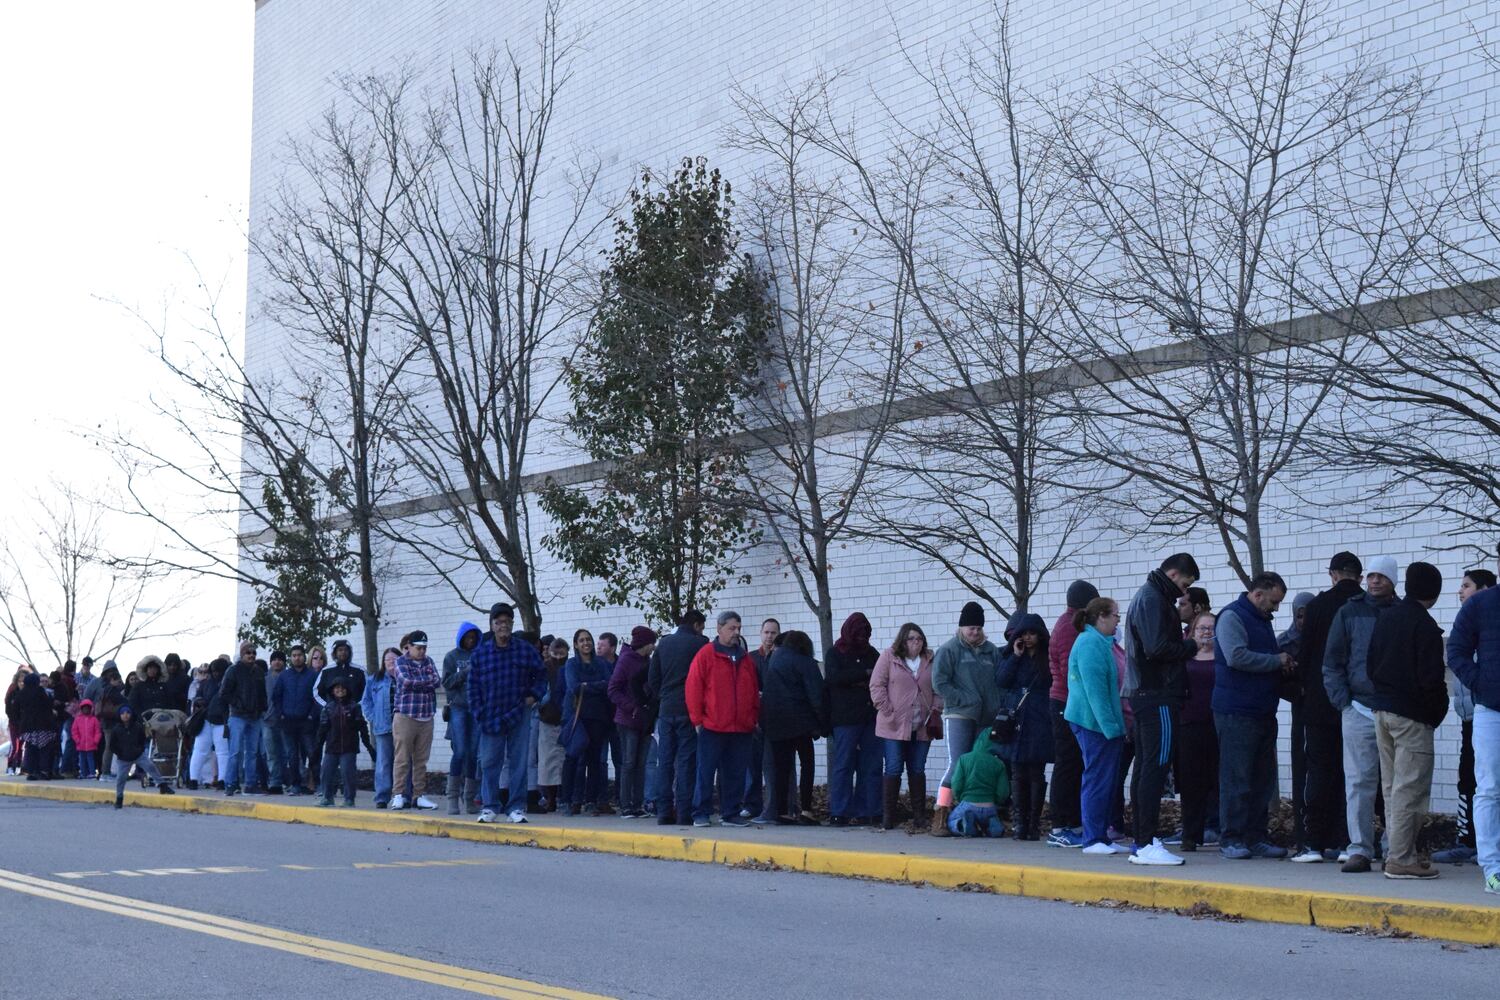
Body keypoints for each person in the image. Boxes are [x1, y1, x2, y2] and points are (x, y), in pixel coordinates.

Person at [1367, 562, 1447, 879]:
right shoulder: (1424, 626)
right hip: (1412, 715)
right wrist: (1434, 712)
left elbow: (1370, 664)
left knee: (1391, 788)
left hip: (1381, 710)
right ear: (1434, 592)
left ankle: (1400, 853)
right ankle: (1400, 858)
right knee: (1410, 789)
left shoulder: (1386, 618)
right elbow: (1431, 680)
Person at [1324, 554, 1400, 873]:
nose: (1375, 580)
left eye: (1382, 576)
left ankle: (1395, 848)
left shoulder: (1404, 613)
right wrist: (1343, 701)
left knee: (1397, 784)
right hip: (1357, 708)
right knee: (1358, 782)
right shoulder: (1349, 611)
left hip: (1397, 710)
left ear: (1393, 580)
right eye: (1371, 575)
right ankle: (1360, 849)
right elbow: (1332, 660)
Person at [1123, 553, 1200, 865]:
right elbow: (1156, 649)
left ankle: (1142, 840)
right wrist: (1191, 646)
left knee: (1145, 766)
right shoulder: (1155, 599)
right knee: (1154, 766)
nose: (1184, 592)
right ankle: (1146, 841)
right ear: (1172, 573)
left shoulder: (1147, 596)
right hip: (1157, 693)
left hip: (1144, 693)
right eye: (1185, 584)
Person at [1213, 572, 1293, 861]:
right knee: (1237, 778)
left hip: (1261, 710)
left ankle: (1256, 836)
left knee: (1262, 779)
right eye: (1274, 601)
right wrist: (1276, 661)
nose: (1276, 608)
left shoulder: (1260, 619)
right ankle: (1232, 838)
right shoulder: (1232, 617)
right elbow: (1236, 656)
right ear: (1258, 594)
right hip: (1236, 711)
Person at [1291, 552, 1362, 863]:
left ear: (1332, 574)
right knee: (1356, 773)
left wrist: (1302, 689)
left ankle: (1314, 842)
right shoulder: (1368, 605)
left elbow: (1305, 655)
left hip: (1320, 702)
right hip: (1360, 702)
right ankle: (1350, 841)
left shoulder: (1318, 606)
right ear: (1359, 576)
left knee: (1319, 770)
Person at [1447, 545, 1500, 896]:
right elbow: (1456, 651)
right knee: (1490, 787)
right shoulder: (1481, 604)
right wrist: (1481, 682)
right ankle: (1493, 867)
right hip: (1491, 710)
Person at [1435, 567, 1496, 865]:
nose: (1460, 591)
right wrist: (1480, 684)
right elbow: (1456, 653)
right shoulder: (1476, 612)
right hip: (1481, 713)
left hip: (1484, 708)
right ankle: (1479, 852)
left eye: (1466, 585)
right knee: (1479, 784)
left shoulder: (1482, 611)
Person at [931, 601, 1005, 836]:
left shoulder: (991, 651)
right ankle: (941, 812)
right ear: (961, 627)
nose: (975, 632)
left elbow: (1001, 678)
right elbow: (939, 682)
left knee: (981, 763)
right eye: (970, 627)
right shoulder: (949, 650)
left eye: (978, 628)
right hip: (960, 714)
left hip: (987, 715)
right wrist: (962, 699)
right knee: (958, 763)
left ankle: (976, 812)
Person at [685, 611, 760, 828]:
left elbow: (753, 690)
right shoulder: (706, 655)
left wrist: (752, 717)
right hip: (713, 725)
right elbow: (694, 688)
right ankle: (701, 812)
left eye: (738, 628)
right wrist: (697, 720)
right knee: (705, 771)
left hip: (741, 727)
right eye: (732, 628)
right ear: (719, 628)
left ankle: (731, 813)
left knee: (735, 773)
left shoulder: (745, 659)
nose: (736, 632)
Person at [1066, 597, 1129, 855]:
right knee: (1097, 780)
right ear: (1101, 616)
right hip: (1094, 724)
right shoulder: (1090, 644)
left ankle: (1101, 835)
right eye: (1115, 615)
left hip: (1099, 724)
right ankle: (1092, 839)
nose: (1118, 620)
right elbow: (1096, 694)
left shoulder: (1100, 642)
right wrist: (1112, 728)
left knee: (1106, 781)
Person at [871, 622, 939, 832]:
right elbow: (876, 685)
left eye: (919, 639)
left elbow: (939, 686)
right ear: (903, 640)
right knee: (893, 767)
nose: (916, 643)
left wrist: (936, 708)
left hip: (922, 724)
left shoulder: (930, 659)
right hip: (894, 724)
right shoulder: (889, 657)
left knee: (917, 768)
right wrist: (888, 709)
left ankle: (919, 816)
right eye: (911, 638)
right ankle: (888, 816)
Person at [1048, 580, 1098, 847]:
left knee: (1074, 762)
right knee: (1067, 762)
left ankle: (1071, 821)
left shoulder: (1069, 623)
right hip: (1066, 702)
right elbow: (1072, 670)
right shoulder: (1070, 627)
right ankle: (1060, 826)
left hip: (1067, 701)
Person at [646, 609, 708, 826]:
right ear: (697, 625)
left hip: (666, 710)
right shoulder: (700, 644)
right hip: (688, 710)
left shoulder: (664, 643)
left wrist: (663, 695)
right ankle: (683, 812)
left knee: (665, 762)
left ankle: (663, 812)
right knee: (686, 762)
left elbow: (653, 678)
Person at [996, 613, 1054, 841]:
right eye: (1024, 634)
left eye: (1032, 634)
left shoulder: (1046, 657)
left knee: (1036, 772)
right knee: (1017, 770)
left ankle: (1033, 823)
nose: (1028, 638)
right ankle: (1020, 823)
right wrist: (1016, 656)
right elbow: (1001, 680)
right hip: (1017, 718)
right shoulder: (1011, 655)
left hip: (1039, 717)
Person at [761, 630, 826, 826]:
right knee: (807, 763)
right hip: (800, 722)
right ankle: (806, 809)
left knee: (781, 768)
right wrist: (823, 723)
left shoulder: (774, 659)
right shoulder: (805, 662)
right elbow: (816, 695)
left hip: (775, 722)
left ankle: (782, 811)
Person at [826, 612, 883, 827]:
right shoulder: (835, 653)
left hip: (870, 717)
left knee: (871, 764)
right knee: (844, 764)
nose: (862, 637)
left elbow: (879, 678)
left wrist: (855, 678)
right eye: (858, 633)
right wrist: (864, 674)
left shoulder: (872, 653)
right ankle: (839, 810)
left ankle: (868, 809)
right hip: (845, 718)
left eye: (865, 633)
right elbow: (834, 678)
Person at [560, 629, 614, 816]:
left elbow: (609, 684)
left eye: (588, 639)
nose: (586, 643)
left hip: (598, 716)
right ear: (575, 644)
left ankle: (590, 800)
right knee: (573, 758)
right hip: (576, 716)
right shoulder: (571, 664)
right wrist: (595, 685)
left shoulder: (601, 664)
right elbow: (574, 686)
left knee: (594, 759)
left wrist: (587, 686)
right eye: (581, 640)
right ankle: (567, 800)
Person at [1177, 612, 1218, 851]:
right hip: (1189, 725)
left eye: (1210, 628)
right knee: (1192, 783)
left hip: (1219, 724)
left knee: (1217, 781)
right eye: (1201, 628)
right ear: (1193, 631)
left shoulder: (1223, 657)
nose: (1205, 632)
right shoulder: (1185, 656)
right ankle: (1191, 835)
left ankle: (1220, 829)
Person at [608, 626, 658, 819]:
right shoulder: (626, 661)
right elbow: (613, 689)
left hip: (644, 720)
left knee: (641, 763)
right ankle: (626, 804)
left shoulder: (648, 661)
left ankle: (637, 804)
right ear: (644, 644)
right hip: (628, 720)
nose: (653, 647)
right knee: (629, 763)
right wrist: (633, 707)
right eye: (651, 643)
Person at [390, 631, 440, 810]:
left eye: (424, 648)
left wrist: (420, 681)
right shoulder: (400, 662)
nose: (422, 651)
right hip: (405, 715)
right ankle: (398, 794)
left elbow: (436, 681)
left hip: (426, 717)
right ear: (408, 647)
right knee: (402, 758)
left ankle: (419, 795)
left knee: (421, 760)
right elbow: (405, 681)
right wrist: (425, 682)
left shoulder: (429, 661)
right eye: (418, 648)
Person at [442, 622, 482, 815]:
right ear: (461, 637)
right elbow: (447, 683)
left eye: (474, 637)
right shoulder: (451, 657)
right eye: (468, 637)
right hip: (458, 707)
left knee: (473, 753)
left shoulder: (481, 655)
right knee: (460, 751)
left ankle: (469, 798)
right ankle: (452, 797)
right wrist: (465, 673)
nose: (471, 640)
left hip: (476, 708)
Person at [315, 680, 374, 808]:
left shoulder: (354, 707)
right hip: (331, 746)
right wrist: (318, 746)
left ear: (347, 690)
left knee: (348, 773)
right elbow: (322, 728)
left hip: (349, 746)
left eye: (343, 688)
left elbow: (362, 726)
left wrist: (368, 745)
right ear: (332, 690)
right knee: (326, 772)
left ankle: (349, 799)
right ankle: (327, 797)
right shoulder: (328, 707)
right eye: (336, 688)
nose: (340, 690)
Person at [217, 643, 267, 796]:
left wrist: (262, 707)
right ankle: (230, 783)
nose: (251, 655)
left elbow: (262, 693)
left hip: (255, 716)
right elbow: (224, 693)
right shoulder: (233, 670)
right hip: (238, 716)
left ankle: (250, 784)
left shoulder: (258, 671)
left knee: (252, 752)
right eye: (248, 653)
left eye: (253, 652)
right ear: (242, 654)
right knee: (235, 752)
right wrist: (239, 704)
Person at [946, 727, 1012, 837]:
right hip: (989, 806)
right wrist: (996, 801)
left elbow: (956, 783)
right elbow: (1003, 791)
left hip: (968, 803)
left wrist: (959, 798)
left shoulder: (964, 758)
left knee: (952, 820)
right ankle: (994, 827)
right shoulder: (998, 763)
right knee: (987, 821)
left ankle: (963, 825)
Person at [273, 645, 320, 796]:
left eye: (299, 655)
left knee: (312, 753)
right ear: (291, 658)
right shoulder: (284, 676)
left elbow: (317, 697)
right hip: (288, 722)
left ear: (304, 656)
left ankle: (318, 784)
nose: (296, 658)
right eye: (293, 655)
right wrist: (280, 714)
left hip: (307, 721)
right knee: (292, 756)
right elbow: (276, 697)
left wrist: (312, 715)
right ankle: (295, 785)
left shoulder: (312, 675)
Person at [108, 703, 175, 808]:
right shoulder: (116, 729)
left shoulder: (137, 727)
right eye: (123, 713)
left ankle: (162, 785)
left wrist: (139, 750)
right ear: (119, 715)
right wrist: (120, 753)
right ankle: (119, 798)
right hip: (123, 758)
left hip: (138, 755)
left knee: (151, 767)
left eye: (128, 713)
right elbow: (112, 745)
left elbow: (142, 739)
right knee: (120, 778)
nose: (125, 715)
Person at [749, 618, 783, 823]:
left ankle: (773, 807)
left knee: (771, 765)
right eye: (767, 632)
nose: (770, 636)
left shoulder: (781, 657)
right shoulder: (752, 658)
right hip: (754, 718)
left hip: (775, 719)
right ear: (761, 633)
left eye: (774, 633)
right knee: (752, 765)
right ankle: (751, 804)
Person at [534, 637, 570, 812]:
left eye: (562, 652)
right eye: (556, 652)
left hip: (566, 719)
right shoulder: (546, 668)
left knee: (563, 761)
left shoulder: (570, 667)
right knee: (548, 761)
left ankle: (562, 796)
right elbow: (541, 692)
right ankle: (550, 797)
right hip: (548, 718)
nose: (558, 656)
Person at [361, 648, 397, 808]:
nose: (391, 662)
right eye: (388, 659)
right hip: (382, 727)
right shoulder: (374, 680)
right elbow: (366, 701)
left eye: (394, 659)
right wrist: (373, 718)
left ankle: (402, 794)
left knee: (402, 762)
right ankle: (382, 797)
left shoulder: (403, 678)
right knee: (383, 762)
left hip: (403, 726)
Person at [187, 659, 229, 789]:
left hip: (209, 720)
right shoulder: (227, 683)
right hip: (218, 721)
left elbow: (197, 699)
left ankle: (194, 779)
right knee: (221, 752)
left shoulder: (205, 684)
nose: (216, 673)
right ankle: (221, 780)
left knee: (201, 751)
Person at [14, 672, 58, 780]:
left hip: (28, 727)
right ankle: (43, 771)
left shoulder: (21, 693)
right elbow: (48, 704)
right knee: (44, 749)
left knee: (30, 749)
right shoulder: (40, 691)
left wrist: (20, 721)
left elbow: (15, 709)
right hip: (44, 726)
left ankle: (32, 772)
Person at [260, 649, 287, 794]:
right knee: (271, 753)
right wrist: (263, 715)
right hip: (267, 721)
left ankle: (290, 780)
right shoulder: (264, 679)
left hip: (285, 721)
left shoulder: (288, 677)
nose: (277, 661)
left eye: (280, 659)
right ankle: (275, 782)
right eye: (274, 659)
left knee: (287, 753)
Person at [314, 639, 366, 706]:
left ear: (349, 652)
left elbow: (367, 692)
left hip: (355, 713)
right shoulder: (326, 671)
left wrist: (357, 706)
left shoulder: (360, 670)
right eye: (340, 650)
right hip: (332, 714)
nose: (343, 652)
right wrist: (327, 706)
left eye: (346, 650)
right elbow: (317, 692)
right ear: (335, 653)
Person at [72, 699, 102, 780]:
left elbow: (97, 731)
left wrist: (95, 740)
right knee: (82, 759)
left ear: (90, 709)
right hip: (81, 744)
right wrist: (77, 740)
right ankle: (83, 773)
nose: (86, 710)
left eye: (88, 708)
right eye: (84, 708)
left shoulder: (94, 719)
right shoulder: (78, 719)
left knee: (90, 759)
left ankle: (92, 772)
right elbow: (74, 731)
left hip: (91, 744)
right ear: (81, 709)